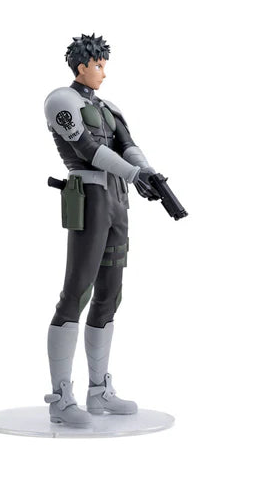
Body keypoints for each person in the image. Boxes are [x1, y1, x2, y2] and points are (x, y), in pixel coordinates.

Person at [43, 34, 159, 428]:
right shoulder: (61, 101)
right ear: (81, 66)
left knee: (110, 294)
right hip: (89, 196)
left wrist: (147, 172)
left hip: (117, 199)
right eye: (98, 65)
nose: (103, 73)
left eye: (104, 65)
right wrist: (135, 174)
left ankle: (99, 390)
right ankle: (61, 398)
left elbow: (127, 144)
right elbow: (88, 149)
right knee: (76, 292)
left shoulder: (109, 108)